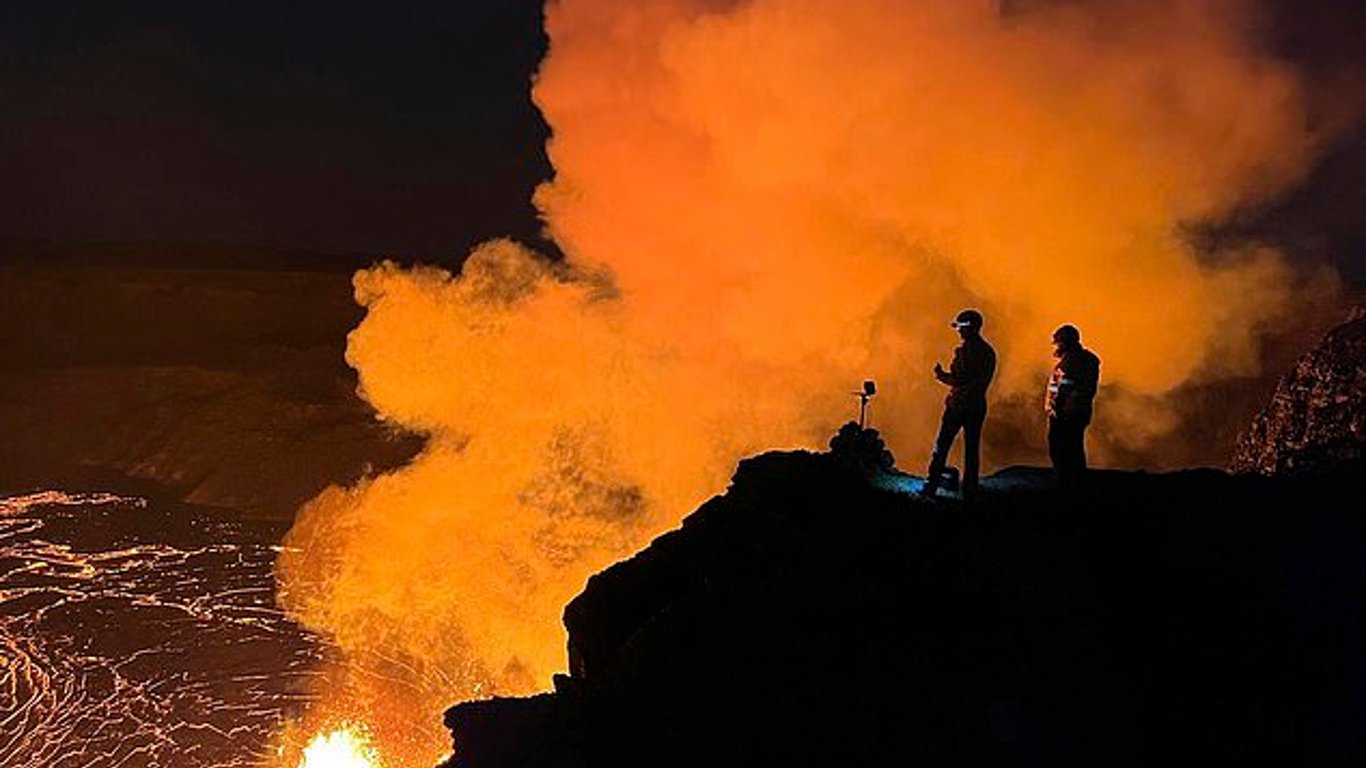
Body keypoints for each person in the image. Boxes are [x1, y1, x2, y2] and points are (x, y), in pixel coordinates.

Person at [923, 309, 996, 499]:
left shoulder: (965, 351)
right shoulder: (988, 351)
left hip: (958, 407)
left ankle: (931, 484)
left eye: (961, 327)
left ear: (970, 327)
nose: (959, 331)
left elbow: (958, 379)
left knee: (942, 445)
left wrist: (941, 375)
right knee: (972, 450)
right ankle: (970, 490)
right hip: (977, 406)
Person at [1045, 324, 1101, 486]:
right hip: (1080, 411)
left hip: (1065, 412)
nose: (1057, 346)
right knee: (1075, 448)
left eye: (1059, 343)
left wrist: (1056, 407)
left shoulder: (1071, 361)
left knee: (1060, 448)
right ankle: (1076, 481)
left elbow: (1065, 386)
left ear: (1066, 342)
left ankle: (1066, 482)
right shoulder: (1088, 359)